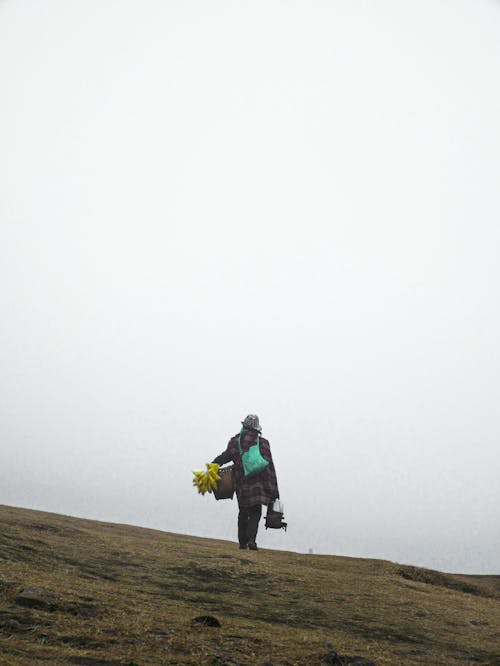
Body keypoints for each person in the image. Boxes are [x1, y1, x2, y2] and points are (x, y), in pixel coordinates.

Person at [212, 414, 279, 550]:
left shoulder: (235, 442)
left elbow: (226, 456)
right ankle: (252, 540)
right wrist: (274, 490)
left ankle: (242, 543)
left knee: (243, 511)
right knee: (255, 511)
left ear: (244, 426)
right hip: (258, 483)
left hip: (241, 482)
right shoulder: (263, 443)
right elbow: (269, 466)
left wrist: (213, 464)